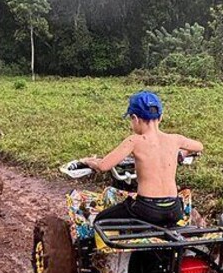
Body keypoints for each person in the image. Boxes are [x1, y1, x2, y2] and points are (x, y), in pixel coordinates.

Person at [83, 90, 203, 227]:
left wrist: (88, 161)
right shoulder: (175, 139)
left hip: (147, 209)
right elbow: (199, 146)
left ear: (135, 118)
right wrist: (182, 153)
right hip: (174, 209)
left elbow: (103, 166)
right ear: (161, 117)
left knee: (100, 220)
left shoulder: (134, 141)